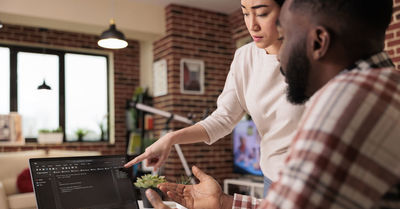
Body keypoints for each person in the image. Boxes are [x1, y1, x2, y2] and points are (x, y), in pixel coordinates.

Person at [145, 0, 400, 209]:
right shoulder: (382, 87)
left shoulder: (345, 111)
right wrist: (225, 204)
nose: (278, 57)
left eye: (288, 35)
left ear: (318, 42)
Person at [125, 0, 305, 196]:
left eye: (261, 13)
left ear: (287, 11)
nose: (252, 25)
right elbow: (224, 117)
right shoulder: (245, 57)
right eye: (245, 14)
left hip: (311, 177)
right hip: (272, 176)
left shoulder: (315, 57)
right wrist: (170, 138)